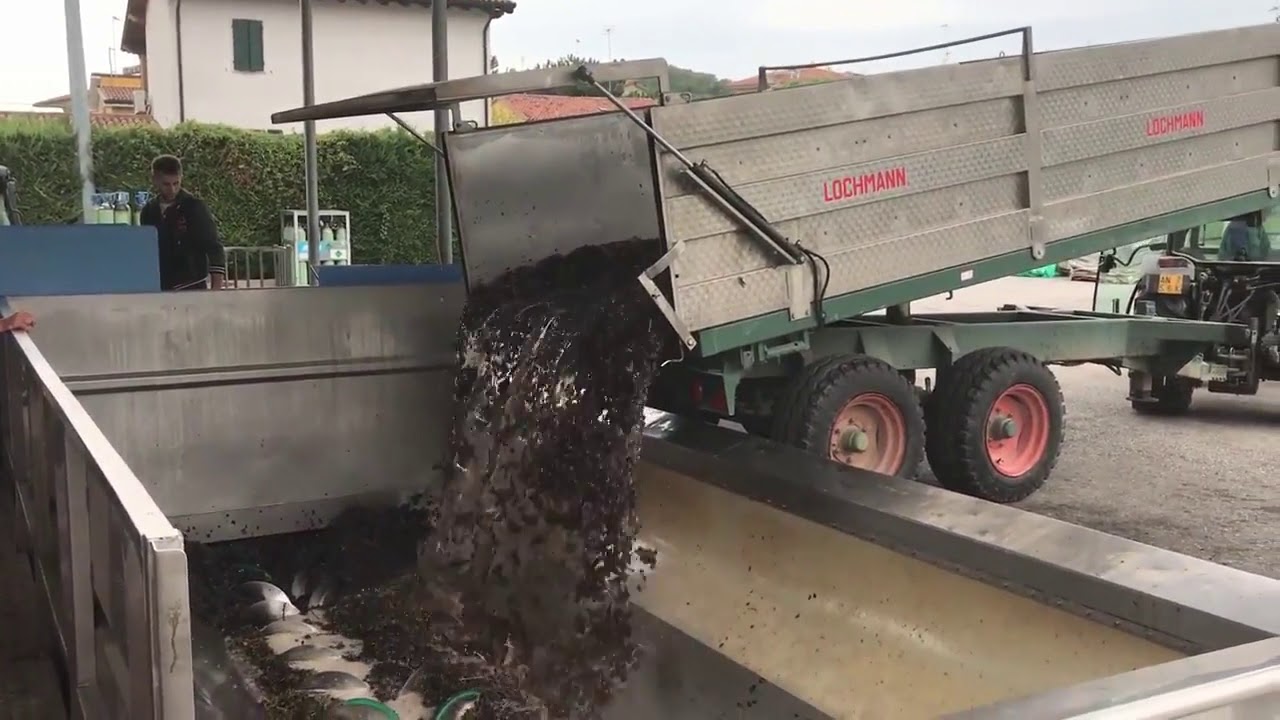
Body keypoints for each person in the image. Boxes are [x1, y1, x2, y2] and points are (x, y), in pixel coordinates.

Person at [140, 155, 227, 290]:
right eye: (166, 184)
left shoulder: (194, 207)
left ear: (181, 178)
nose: (172, 189)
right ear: (155, 180)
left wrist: (216, 291)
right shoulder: (148, 211)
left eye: (176, 183)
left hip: (192, 285)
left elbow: (213, 246)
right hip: (160, 286)